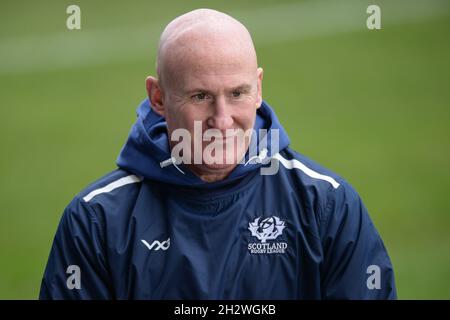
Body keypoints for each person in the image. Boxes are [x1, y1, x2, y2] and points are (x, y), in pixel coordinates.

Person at [39, 8, 396, 299]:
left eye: (238, 94)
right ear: (158, 98)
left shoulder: (327, 206)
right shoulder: (96, 221)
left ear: (258, 89)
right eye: (200, 96)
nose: (222, 120)